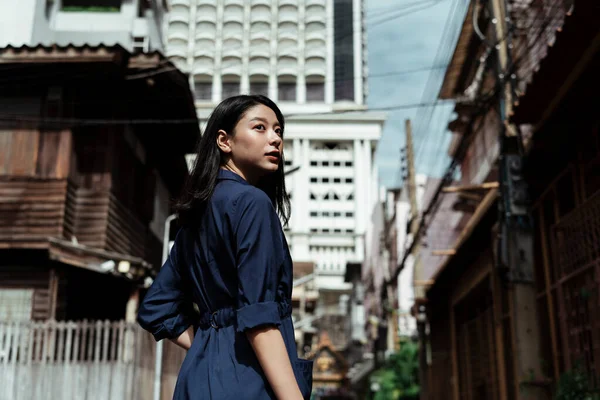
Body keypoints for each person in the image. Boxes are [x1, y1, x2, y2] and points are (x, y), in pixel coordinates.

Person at [137, 95, 313, 400]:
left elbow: (156, 308)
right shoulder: (252, 204)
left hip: (196, 380)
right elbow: (259, 319)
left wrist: (212, 342)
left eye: (278, 130)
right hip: (247, 382)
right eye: (260, 127)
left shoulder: (194, 218)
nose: (275, 139)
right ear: (224, 141)